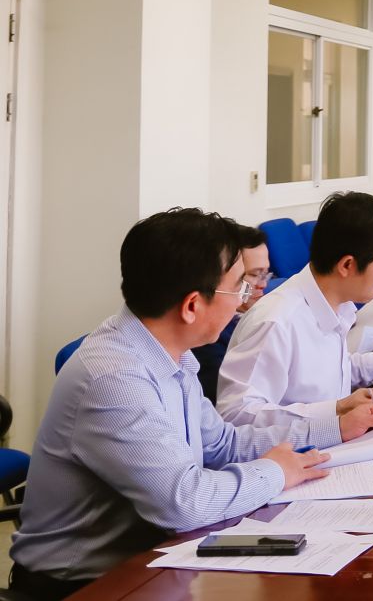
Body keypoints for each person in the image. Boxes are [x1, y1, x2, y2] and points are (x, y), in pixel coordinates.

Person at [8, 209, 342, 598]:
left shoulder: (171, 353)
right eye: (239, 287)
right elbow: (185, 503)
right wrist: (275, 471)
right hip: (82, 586)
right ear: (191, 306)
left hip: (152, 561)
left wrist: (334, 428)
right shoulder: (114, 379)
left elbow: (222, 445)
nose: (245, 299)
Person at [217, 192, 373, 434]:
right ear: (347, 265)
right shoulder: (276, 321)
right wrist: (338, 409)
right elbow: (237, 416)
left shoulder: (336, 303)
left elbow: (330, 371)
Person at [192, 222, 271, 402]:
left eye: (266, 274)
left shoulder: (264, 315)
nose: (263, 284)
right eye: (254, 274)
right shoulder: (210, 335)